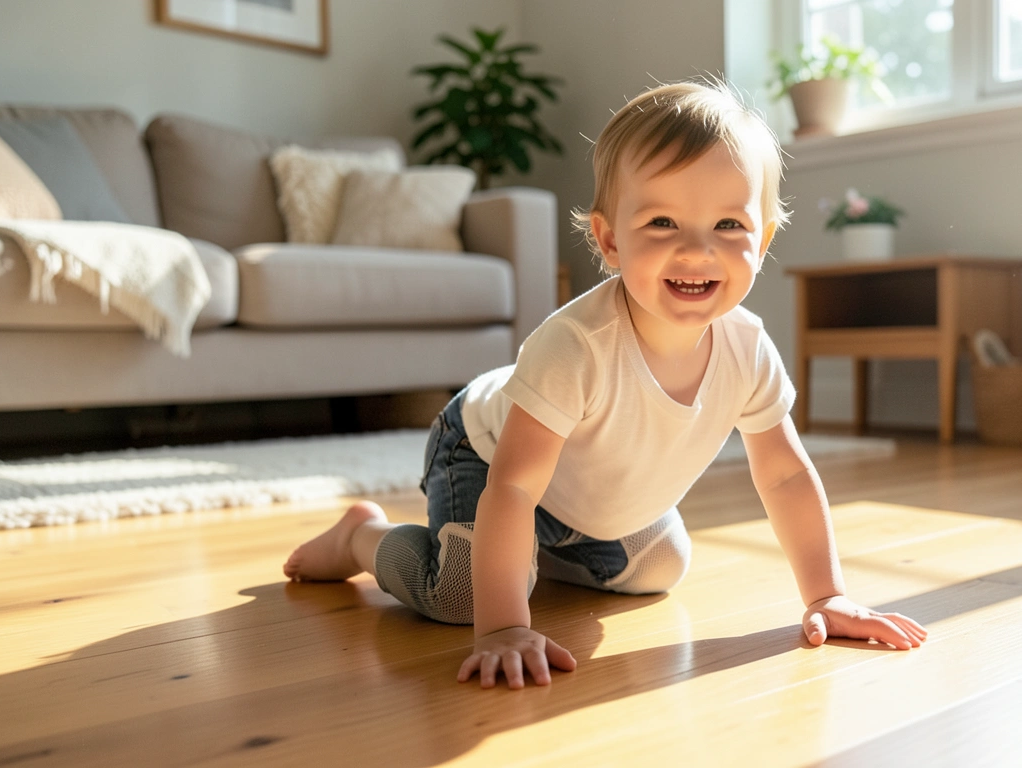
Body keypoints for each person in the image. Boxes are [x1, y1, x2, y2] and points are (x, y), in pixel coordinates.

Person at [283, 80, 927, 690]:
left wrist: (826, 594)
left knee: (661, 568)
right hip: (487, 455)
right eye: (663, 224)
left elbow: (785, 476)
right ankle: (361, 536)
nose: (698, 250)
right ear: (610, 240)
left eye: (729, 226)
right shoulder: (577, 346)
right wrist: (504, 627)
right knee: (461, 597)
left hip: (577, 493)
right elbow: (514, 485)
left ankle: (531, 555)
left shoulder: (747, 347)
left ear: (763, 238)